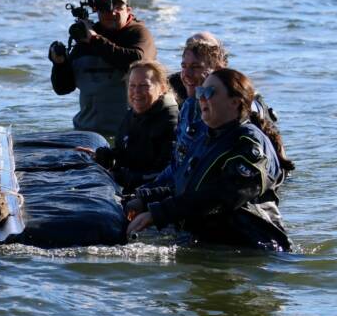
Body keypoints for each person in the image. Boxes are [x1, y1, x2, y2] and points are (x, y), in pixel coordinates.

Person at [126, 68, 295, 251]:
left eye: (209, 92)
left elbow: (224, 195)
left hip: (251, 250)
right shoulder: (205, 139)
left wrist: (159, 213)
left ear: (234, 102)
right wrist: (143, 200)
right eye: (200, 92)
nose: (201, 98)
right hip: (207, 243)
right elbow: (184, 185)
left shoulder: (248, 143)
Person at [48, 0, 156, 139]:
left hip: (127, 133)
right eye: (104, 7)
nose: (111, 12)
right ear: (96, 10)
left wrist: (95, 39)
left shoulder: (138, 33)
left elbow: (137, 61)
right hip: (86, 132)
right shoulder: (86, 37)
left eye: (117, 6)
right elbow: (63, 88)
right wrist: (59, 64)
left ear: (128, 10)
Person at [79, 61, 178, 191]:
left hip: (152, 195)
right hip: (130, 186)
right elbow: (128, 152)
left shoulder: (170, 121)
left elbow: (166, 173)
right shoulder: (134, 113)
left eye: (144, 85)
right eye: (132, 86)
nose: (137, 91)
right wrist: (104, 156)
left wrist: (119, 177)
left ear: (162, 88)